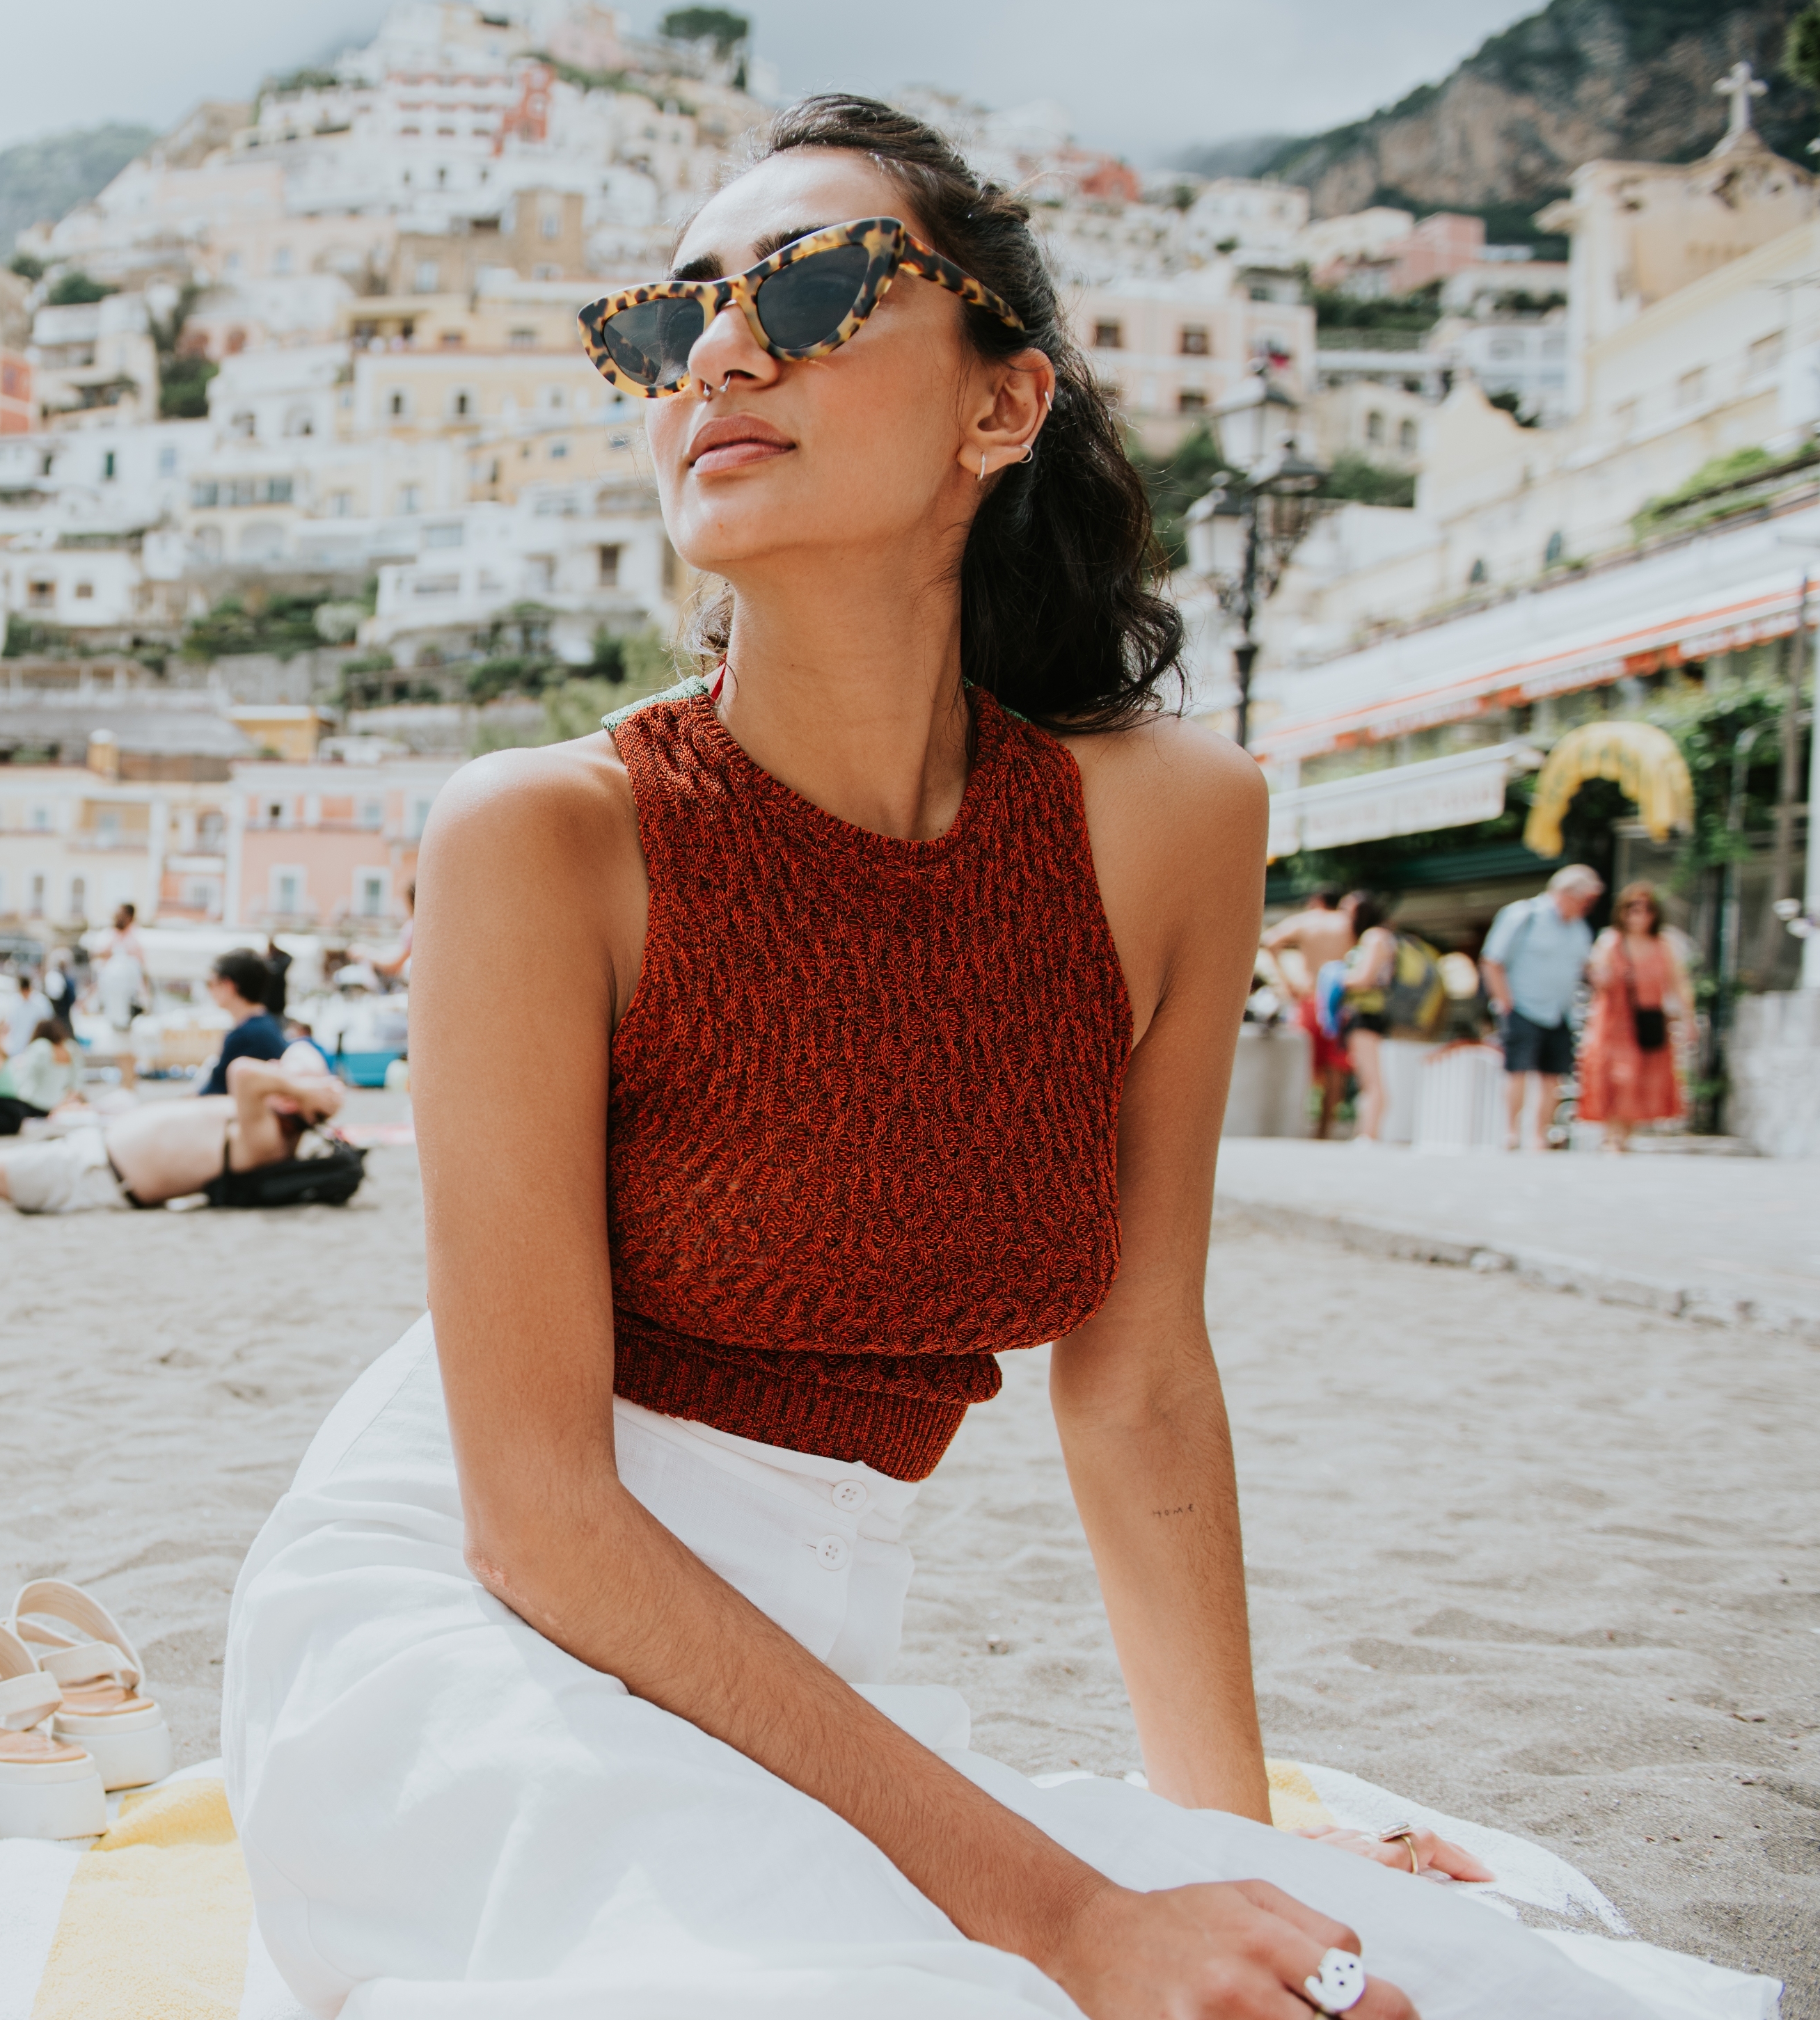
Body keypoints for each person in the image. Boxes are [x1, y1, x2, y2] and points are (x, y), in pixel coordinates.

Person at [213, 97, 1708, 2020]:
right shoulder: (542, 834)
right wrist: (1076, 1908)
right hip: (459, 1618)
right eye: (669, 325)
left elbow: (1141, 1373)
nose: (722, 354)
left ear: (1003, 406)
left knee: (1377, 1980)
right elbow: (540, 1515)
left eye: (817, 286)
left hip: (804, 1653)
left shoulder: (1166, 822)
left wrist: (1218, 1838)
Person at [0, 1053, 342, 1215]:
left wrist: (304, 1086)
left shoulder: (267, 1132)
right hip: (96, 1163)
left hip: (97, 1176)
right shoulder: (265, 1124)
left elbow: (247, 1072)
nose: (280, 1067)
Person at [1481, 864, 1602, 1152]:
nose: (1589, 906)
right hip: (1523, 1006)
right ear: (1567, 894)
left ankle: (1539, 1136)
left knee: (1553, 1075)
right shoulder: (1524, 916)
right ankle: (1511, 1133)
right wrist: (1505, 1002)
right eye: (1586, 899)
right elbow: (1492, 960)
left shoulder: (1579, 928)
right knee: (1518, 1070)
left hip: (1561, 1010)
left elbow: (1587, 968)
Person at [1577, 879, 1693, 1152]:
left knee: (1639, 1077)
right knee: (1615, 1076)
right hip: (1612, 1021)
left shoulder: (1664, 945)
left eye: (1646, 908)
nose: (1639, 915)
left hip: (1647, 1021)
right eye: (1632, 908)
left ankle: (1623, 1136)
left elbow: (1680, 984)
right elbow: (1597, 978)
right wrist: (1600, 976)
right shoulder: (1610, 941)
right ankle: (1612, 1136)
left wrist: (1688, 1019)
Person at [1260, 886, 1356, 1138]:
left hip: (1308, 999)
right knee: (1336, 1070)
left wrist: (1287, 982)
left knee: (1301, 1067)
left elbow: (1270, 941)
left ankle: (1295, 1128)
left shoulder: (1307, 921)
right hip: (1339, 1004)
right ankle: (1324, 1132)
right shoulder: (1348, 924)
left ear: (1316, 901)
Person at [1337, 891, 1401, 1145]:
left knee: (1371, 1078)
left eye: (1346, 911)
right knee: (1368, 1076)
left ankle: (1369, 1134)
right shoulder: (1378, 936)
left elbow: (1365, 978)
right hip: (1368, 1014)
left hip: (1367, 1014)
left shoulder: (1374, 937)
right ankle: (1366, 1131)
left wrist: (1335, 979)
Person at [199, 946, 290, 1094]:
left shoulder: (244, 1036)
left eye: (210, 983)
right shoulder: (266, 1025)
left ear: (228, 985)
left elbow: (214, 1092)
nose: (210, 990)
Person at [95, 903, 149, 1028]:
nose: (116, 918)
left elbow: (142, 972)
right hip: (110, 999)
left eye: (120, 915)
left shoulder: (136, 939)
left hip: (129, 1001)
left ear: (129, 917)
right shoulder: (111, 935)